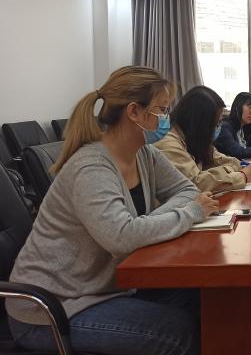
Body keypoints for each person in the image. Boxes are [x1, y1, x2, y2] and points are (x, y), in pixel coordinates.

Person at [7, 66, 219, 355]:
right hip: (52, 308)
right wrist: (190, 213)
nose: (166, 118)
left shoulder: (144, 153)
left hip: (105, 288)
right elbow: (121, 238)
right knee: (178, 333)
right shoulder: (92, 167)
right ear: (134, 112)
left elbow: (187, 191)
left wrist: (145, 223)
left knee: (203, 298)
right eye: (161, 109)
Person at [155, 86, 251, 193]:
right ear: (200, 123)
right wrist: (243, 176)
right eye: (216, 123)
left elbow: (222, 159)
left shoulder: (194, 139)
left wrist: (242, 167)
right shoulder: (168, 143)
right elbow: (195, 183)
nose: (218, 127)